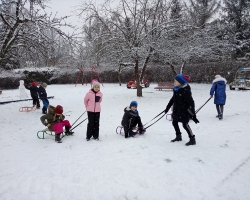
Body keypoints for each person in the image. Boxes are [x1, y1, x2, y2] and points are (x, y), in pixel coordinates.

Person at [164, 74, 199, 146]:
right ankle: (178, 136)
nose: (174, 82)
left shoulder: (186, 91)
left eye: (176, 81)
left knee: (185, 125)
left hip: (184, 111)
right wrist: (167, 107)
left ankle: (192, 139)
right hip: (176, 109)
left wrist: (193, 114)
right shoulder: (176, 89)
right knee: (174, 122)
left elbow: (191, 103)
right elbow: (173, 99)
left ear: (181, 82)